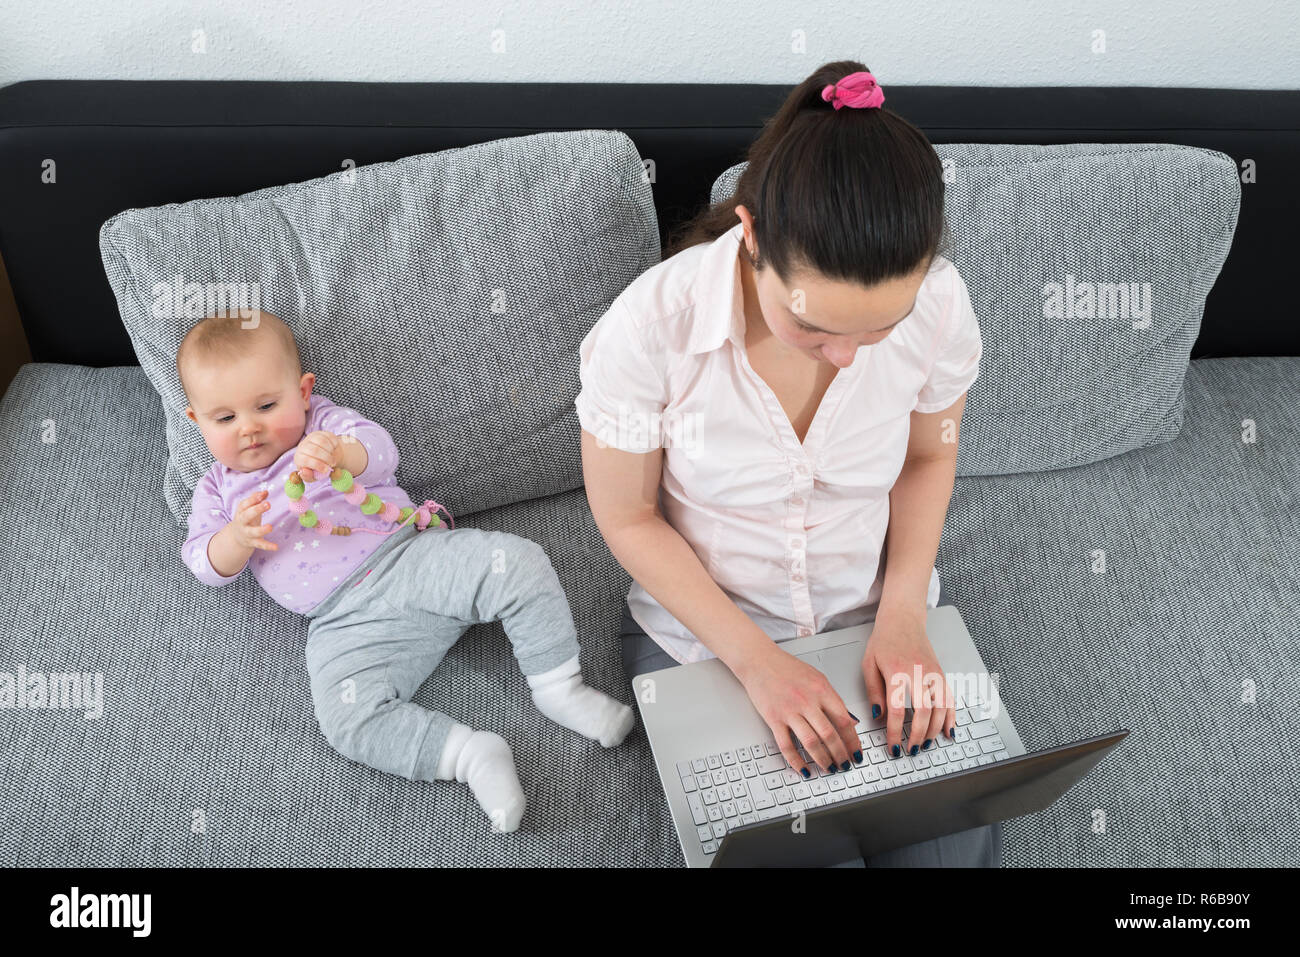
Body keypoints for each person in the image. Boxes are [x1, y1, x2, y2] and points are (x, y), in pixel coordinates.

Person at [576, 61, 1000, 866]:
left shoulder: (942, 302)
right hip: (706, 637)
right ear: (752, 236)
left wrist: (903, 615)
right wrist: (758, 664)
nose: (847, 358)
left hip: (874, 616)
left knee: (951, 849)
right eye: (818, 330)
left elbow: (925, 457)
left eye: (880, 328)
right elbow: (626, 515)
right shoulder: (649, 328)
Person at [178, 308, 633, 834]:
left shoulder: (325, 426)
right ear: (198, 421)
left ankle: (560, 688)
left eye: (266, 405)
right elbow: (203, 563)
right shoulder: (217, 490)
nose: (250, 429)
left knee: (518, 563)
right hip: (341, 620)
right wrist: (233, 541)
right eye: (225, 418)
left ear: (303, 392)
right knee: (346, 721)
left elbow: (382, 455)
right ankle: (469, 755)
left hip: (409, 559)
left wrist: (340, 457)